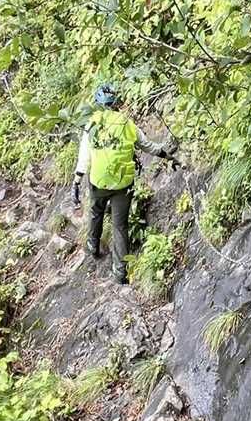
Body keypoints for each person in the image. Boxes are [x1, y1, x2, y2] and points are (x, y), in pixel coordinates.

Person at [71, 83, 174, 285]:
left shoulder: (92, 124)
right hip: (122, 184)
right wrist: (168, 156)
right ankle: (120, 273)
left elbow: (84, 158)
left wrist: (76, 182)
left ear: (98, 103)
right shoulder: (127, 124)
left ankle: (93, 245)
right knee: (120, 226)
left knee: (96, 212)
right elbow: (148, 146)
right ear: (117, 103)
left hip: (99, 182)